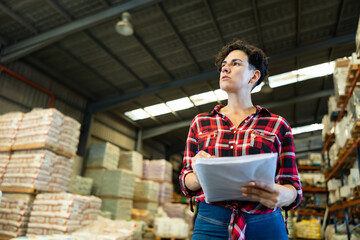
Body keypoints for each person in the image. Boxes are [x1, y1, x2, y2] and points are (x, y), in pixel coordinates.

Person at [179, 40, 302, 240]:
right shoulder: (200, 123)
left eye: (235, 63)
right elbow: (185, 180)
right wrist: (200, 173)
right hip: (211, 223)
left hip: (265, 223)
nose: (225, 68)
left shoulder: (277, 125)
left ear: (254, 75)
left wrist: (283, 195)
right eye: (223, 65)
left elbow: (292, 185)